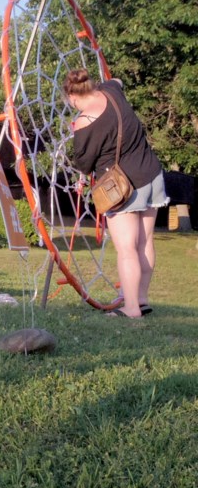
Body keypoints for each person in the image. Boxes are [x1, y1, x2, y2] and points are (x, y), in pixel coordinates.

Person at [65, 69, 168, 318]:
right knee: (145, 242)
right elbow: (118, 80)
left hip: (123, 188)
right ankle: (141, 299)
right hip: (152, 175)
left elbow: (84, 162)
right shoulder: (111, 91)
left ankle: (132, 308)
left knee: (127, 249)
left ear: (72, 97)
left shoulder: (84, 121)